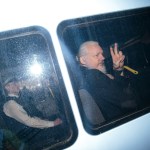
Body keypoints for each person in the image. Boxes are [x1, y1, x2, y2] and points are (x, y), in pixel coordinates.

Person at [77, 41, 139, 121]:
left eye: (101, 54)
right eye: (97, 55)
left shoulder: (88, 78)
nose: (103, 58)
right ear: (83, 60)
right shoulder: (95, 77)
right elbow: (129, 101)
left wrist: (118, 69)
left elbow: (118, 91)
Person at [2, 77, 63, 149]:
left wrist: (44, 121)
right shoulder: (10, 103)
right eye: (14, 83)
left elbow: (30, 116)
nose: (17, 85)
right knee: (61, 130)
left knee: (56, 118)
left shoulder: (16, 99)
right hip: (30, 137)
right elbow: (29, 121)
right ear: (7, 87)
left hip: (32, 131)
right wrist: (52, 123)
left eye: (17, 82)